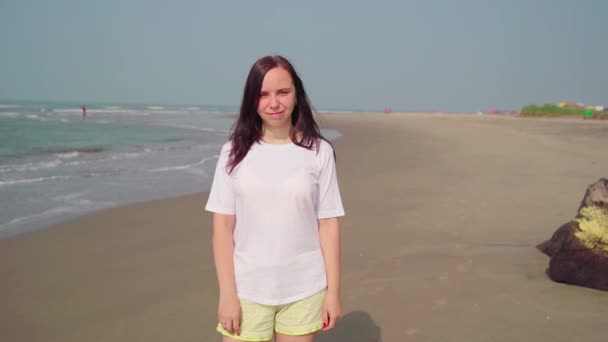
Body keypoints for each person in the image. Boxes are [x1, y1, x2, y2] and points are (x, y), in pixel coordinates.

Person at [205, 55, 345, 342]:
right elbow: (222, 228)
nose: (274, 103)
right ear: (251, 100)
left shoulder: (319, 152)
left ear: (297, 94)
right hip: (247, 289)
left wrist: (333, 293)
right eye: (263, 94)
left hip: (304, 289)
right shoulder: (234, 152)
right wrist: (227, 295)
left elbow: (328, 224)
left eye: (283, 92)